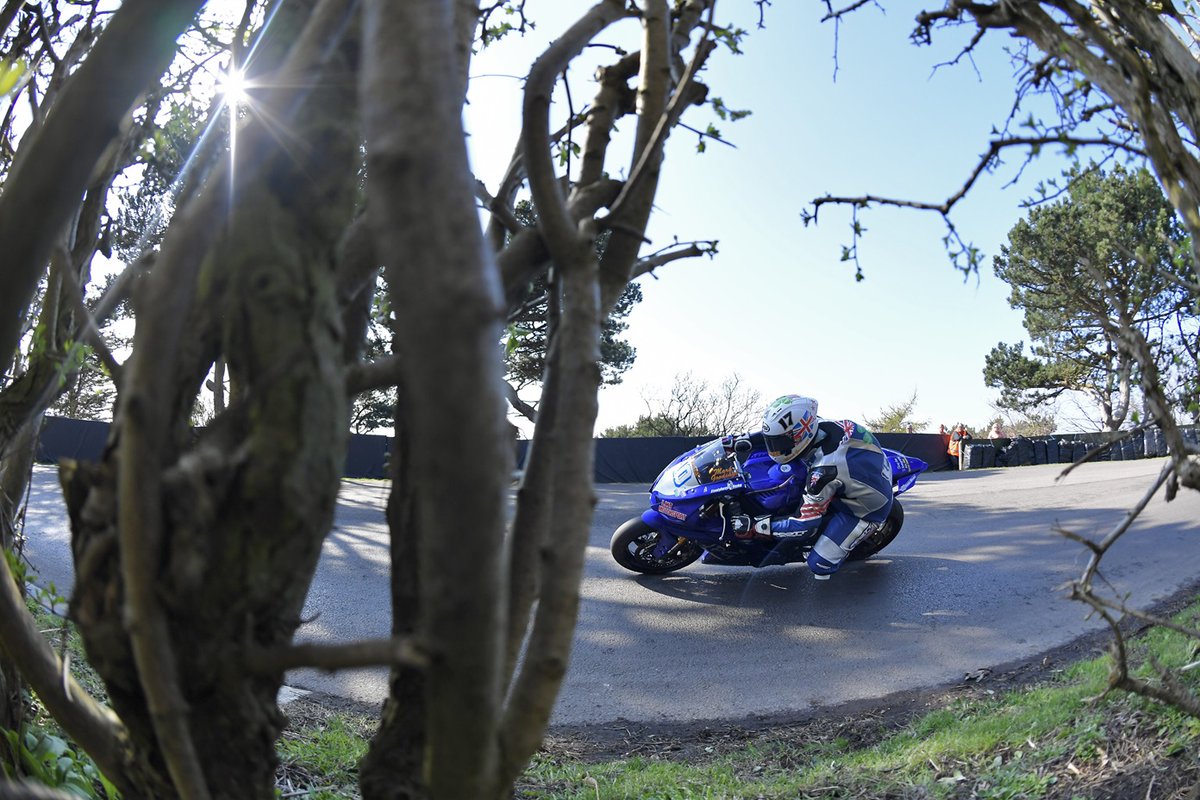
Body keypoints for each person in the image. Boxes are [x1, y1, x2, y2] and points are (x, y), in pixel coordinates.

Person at [728, 395, 893, 580]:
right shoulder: (817, 425)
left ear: (799, 434)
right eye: (770, 441)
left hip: (865, 508)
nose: (773, 448)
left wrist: (759, 527)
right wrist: (742, 440)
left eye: (779, 442)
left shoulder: (823, 472)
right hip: (861, 468)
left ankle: (843, 542)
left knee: (819, 564)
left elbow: (805, 524)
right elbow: (778, 435)